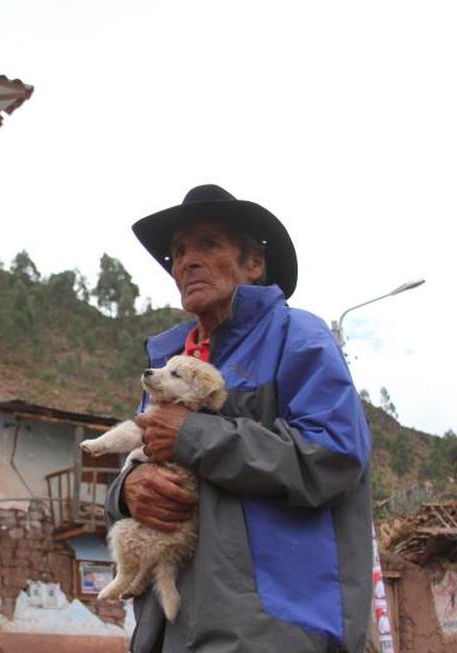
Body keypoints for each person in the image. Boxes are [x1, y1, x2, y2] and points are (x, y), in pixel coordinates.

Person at [106, 184, 372, 652]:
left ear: (253, 264)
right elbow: (141, 462)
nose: (187, 261)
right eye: (179, 251)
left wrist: (192, 435)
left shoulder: (298, 337)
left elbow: (332, 457)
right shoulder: (170, 365)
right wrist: (126, 494)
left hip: (270, 631)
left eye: (209, 244)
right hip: (168, 632)